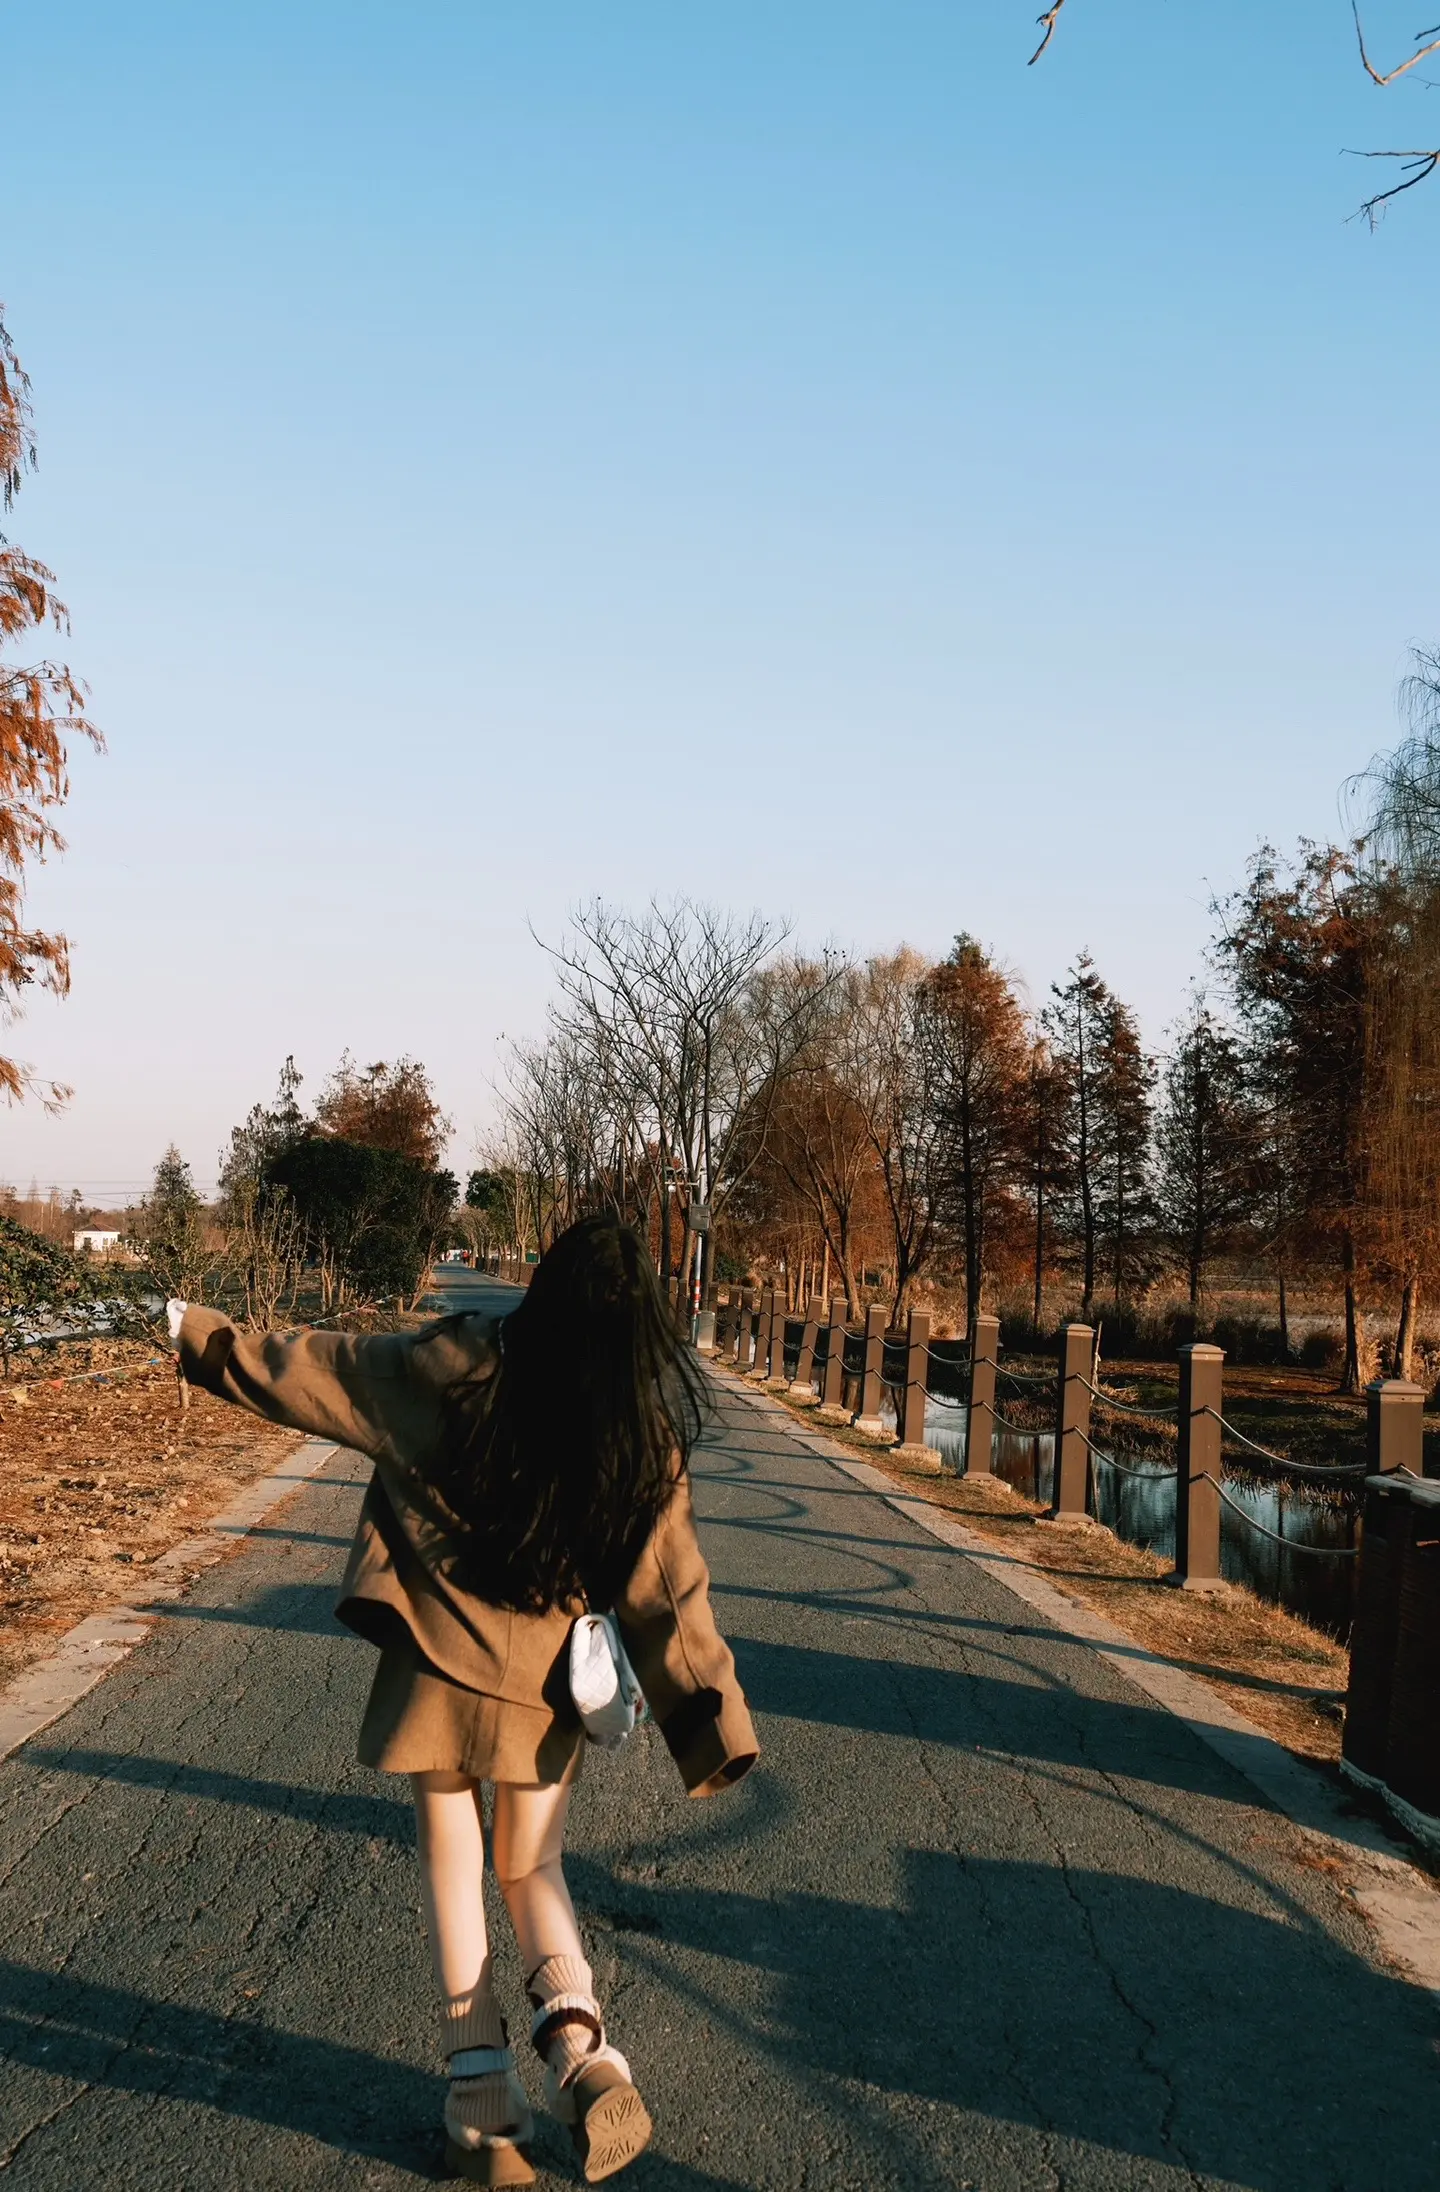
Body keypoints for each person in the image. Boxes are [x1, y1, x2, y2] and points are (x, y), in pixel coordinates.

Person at [170, 1213, 757, 2186]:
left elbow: (316, 1368)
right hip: (544, 1691)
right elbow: (673, 1597)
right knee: (532, 1866)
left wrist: (199, 1333)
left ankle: (482, 2100)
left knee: (453, 1860)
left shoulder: (454, 1363)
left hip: (435, 1670)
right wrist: (714, 1726)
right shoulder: (640, 1432)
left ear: (545, 1288)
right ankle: (583, 2051)